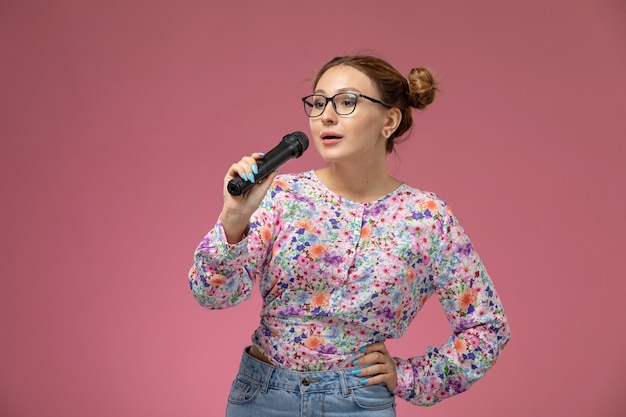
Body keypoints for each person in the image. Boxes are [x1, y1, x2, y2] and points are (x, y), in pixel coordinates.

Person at [188, 54, 510, 416]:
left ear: (389, 121)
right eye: (318, 102)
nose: (325, 115)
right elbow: (212, 295)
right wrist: (234, 218)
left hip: (358, 403)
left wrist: (410, 377)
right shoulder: (280, 195)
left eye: (346, 102)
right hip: (263, 398)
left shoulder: (427, 219)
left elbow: (486, 329)